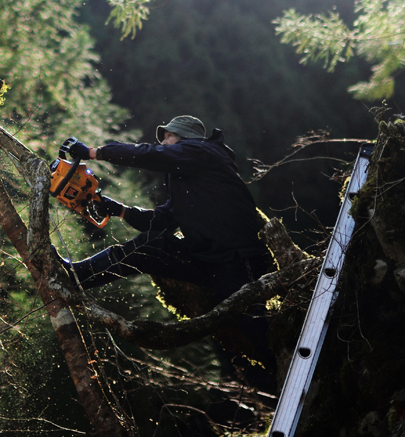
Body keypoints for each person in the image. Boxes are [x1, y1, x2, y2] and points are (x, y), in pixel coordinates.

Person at [57, 114, 273, 376]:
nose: (163, 144)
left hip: (241, 259)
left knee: (256, 329)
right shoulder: (184, 178)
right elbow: (162, 220)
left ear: (182, 138)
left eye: (168, 138)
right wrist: (119, 210)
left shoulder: (203, 151)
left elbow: (150, 155)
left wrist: (93, 152)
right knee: (148, 247)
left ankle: (288, 374)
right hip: (209, 259)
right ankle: (75, 276)